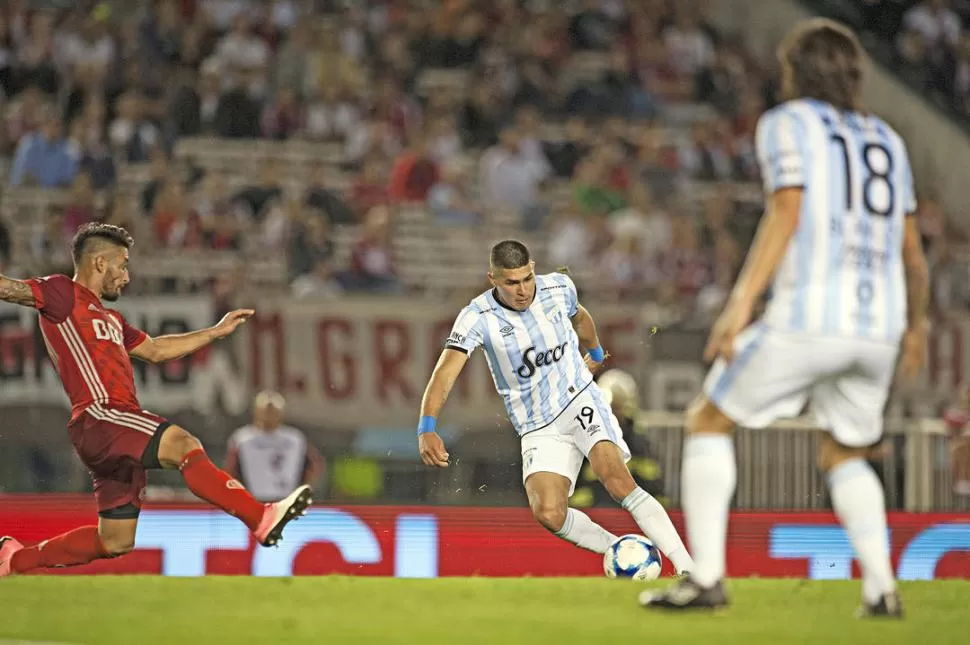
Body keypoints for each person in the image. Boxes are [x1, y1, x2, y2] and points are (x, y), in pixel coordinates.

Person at [641, 19, 928, 617]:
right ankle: (882, 591)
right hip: (880, 326)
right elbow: (912, 251)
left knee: (709, 419)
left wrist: (741, 303)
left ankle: (707, 579)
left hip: (810, 315)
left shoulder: (787, 123)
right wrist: (918, 325)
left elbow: (787, 208)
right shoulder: (887, 140)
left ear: (794, 73)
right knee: (845, 452)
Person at [0, 223, 312, 576]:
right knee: (183, 443)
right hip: (102, 415)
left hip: (110, 428)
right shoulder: (61, 292)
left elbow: (156, 349)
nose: (126, 276)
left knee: (115, 540)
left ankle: (13, 559)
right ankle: (261, 517)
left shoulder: (113, 320)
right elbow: (10, 290)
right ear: (100, 263)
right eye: (122, 264)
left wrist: (214, 332)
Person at [416, 240, 694, 574]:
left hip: (579, 399)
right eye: (511, 282)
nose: (521, 290)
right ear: (493, 279)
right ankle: (622, 550)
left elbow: (582, 318)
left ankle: (687, 567)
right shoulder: (476, 318)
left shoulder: (559, 288)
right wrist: (427, 427)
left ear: (533, 267)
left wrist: (594, 352)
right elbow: (445, 372)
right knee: (548, 512)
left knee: (616, 478)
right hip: (537, 425)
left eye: (526, 278)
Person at [226, 390, 324, 502]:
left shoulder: (295, 438)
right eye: (266, 411)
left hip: (286, 500)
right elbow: (231, 471)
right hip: (255, 499)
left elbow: (313, 467)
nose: (269, 415)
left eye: (273, 412)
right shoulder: (242, 438)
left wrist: (302, 493)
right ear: (257, 411)